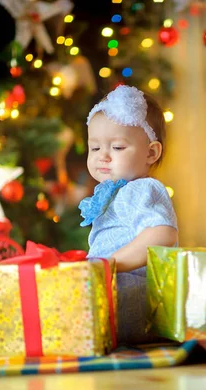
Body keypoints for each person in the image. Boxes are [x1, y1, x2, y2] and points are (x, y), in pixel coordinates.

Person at [79, 85, 178, 344]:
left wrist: (110, 264)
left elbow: (162, 235)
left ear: (150, 153)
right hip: (112, 283)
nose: (104, 156)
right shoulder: (116, 193)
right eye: (95, 148)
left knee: (72, 299)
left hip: (135, 286)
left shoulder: (141, 189)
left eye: (118, 147)